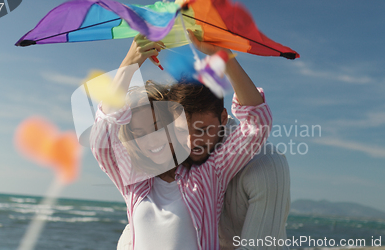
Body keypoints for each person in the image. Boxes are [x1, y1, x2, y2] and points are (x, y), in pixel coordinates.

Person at [91, 32, 272, 250]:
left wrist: (227, 58)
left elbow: (257, 124)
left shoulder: (208, 174)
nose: (150, 139)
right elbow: (101, 139)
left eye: (157, 128)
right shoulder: (132, 179)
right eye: (140, 133)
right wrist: (129, 63)